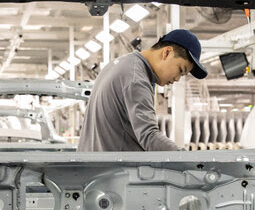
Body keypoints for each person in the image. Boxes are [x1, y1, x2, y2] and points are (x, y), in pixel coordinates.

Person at [77, 29, 207, 152]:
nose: (177, 79)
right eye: (180, 70)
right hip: (112, 172)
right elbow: (149, 136)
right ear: (166, 52)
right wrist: (186, 159)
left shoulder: (122, 64)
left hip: (93, 168)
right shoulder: (136, 78)